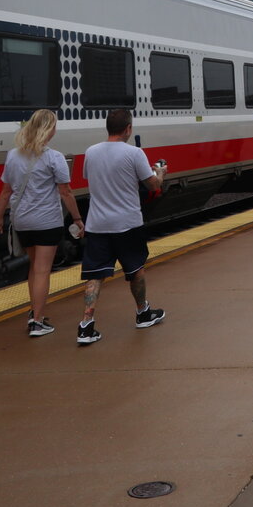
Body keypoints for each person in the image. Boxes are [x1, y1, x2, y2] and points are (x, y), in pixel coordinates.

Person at [0, 109, 83, 337]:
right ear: (49, 129)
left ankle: (36, 312)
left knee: (34, 268)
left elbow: (5, 192)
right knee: (43, 271)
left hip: (22, 221)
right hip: (46, 221)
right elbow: (66, 192)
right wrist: (77, 218)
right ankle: (37, 321)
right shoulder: (54, 157)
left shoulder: (13, 155)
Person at [77, 109, 165, 345]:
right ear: (128, 129)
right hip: (127, 224)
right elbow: (152, 185)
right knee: (136, 269)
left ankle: (86, 325)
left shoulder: (91, 152)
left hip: (97, 224)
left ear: (108, 127)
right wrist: (161, 173)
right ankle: (143, 313)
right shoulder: (134, 153)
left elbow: (91, 179)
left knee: (95, 275)